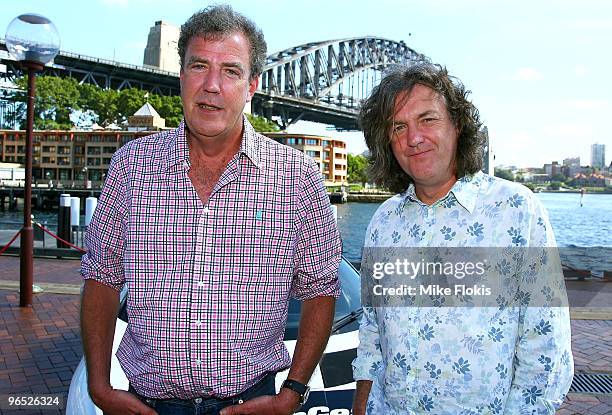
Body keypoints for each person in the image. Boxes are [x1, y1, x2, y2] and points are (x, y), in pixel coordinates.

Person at [80, 5, 341, 415]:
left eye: (231, 71)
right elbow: (101, 277)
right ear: (181, 76)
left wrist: (292, 393)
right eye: (199, 66)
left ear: (252, 84)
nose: (212, 85)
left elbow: (321, 289)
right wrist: (98, 385)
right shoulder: (131, 165)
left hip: (251, 401)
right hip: (148, 402)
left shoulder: (297, 176)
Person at [351, 62, 573, 414]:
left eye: (428, 119)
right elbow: (372, 331)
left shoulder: (517, 210)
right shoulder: (384, 221)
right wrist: (361, 407)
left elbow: (545, 347)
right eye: (398, 127)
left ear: (457, 125)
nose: (414, 138)